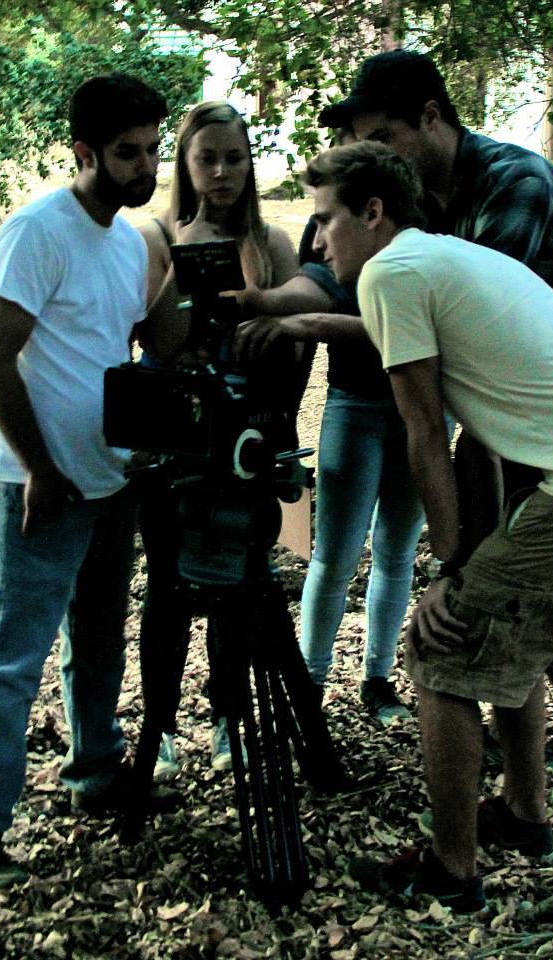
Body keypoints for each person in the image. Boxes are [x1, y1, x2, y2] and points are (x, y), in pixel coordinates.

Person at [304, 140, 553, 912]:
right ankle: (525, 816)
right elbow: (481, 439)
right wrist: (472, 557)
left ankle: (453, 868)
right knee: (516, 643)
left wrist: (450, 572)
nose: (317, 241)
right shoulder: (437, 258)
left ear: (372, 213)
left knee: (438, 653)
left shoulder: (392, 272)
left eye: (325, 220)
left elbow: (422, 431)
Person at [319, 48, 553, 775]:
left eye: (383, 139)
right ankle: (533, 762)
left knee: (517, 577)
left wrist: (452, 564)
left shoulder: (513, 184)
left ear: (432, 119)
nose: (375, 157)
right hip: (541, 399)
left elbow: (444, 345)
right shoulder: (428, 208)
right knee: (521, 578)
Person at [0, 74, 169, 892]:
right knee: (12, 657)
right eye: (126, 153)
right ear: (84, 152)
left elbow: (126, 349)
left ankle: (94, 772)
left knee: (100, 641)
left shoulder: (130, 240)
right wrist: (40, 468)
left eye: (152, 149)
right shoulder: (37, 230)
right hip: (37, 486)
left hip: (110, 483)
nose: (144, 166)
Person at [135, 101, 299, 781]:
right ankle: (161, 725)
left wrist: (280, 417)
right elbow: (157, 343)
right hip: (174, 438)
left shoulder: (275, 243)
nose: (222, 172)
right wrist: (190, 258)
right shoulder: (154, 237)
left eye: (235, 157)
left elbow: (299, 346)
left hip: (251, 436)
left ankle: (232, 715)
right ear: (185, 161)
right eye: (207, 158)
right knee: (169, 586)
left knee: (245, 581)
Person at [234, 210, 435, 725]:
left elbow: (434, 323)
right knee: (334, 553)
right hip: (354, 403)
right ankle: (311, 683)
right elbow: (309, 322)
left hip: (425, 403)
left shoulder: (426, 220)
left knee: (397, 549)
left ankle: (378, 679)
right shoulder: (328, 222)